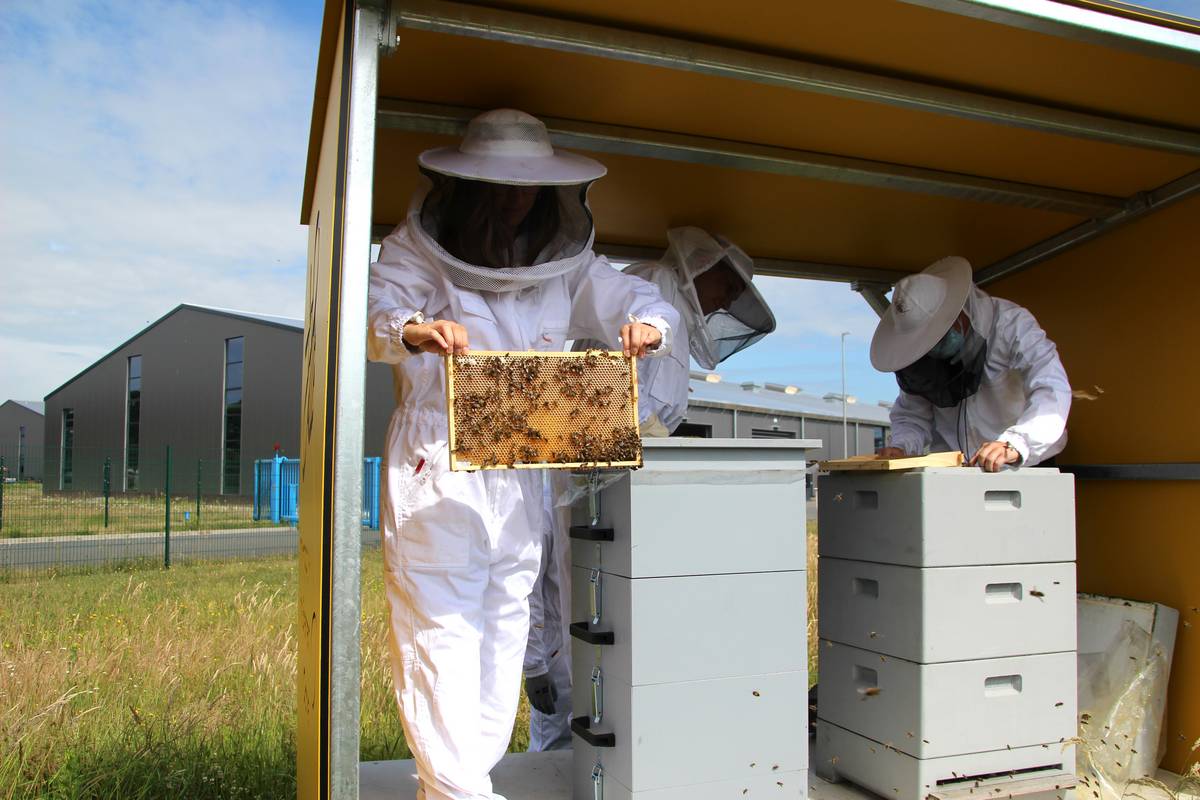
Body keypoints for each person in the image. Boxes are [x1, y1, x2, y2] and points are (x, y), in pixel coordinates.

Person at [367, 108, 679, 800]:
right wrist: (414, 329)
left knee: (505, 625)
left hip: (522, 460)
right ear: (467, 185)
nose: (515, 199)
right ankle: (460, 792)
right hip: (439, 462)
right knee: (441, 629)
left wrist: (647, 326)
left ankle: (458, 783)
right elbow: (374, 311)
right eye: (500, 186)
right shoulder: (415, 250)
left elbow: (636, 295)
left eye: (528, 187)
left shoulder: (561, 264)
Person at [523, 227, 775, 752]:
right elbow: (639, 421)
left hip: (589, 478)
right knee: (588, 618)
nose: (725, 301)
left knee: (576, 612)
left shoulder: (656, 294)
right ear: (702, 270)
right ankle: (572, 758)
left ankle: (568, 751)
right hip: (598, 485)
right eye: (725, 288)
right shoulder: (658, 292)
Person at [869, 256, 1071, 471]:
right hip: (954, 471)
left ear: (957, 312)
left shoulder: (1010, 325)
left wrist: (1016, 443)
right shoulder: (919, 359)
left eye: (939, 333)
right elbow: (912, 415)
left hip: (1021, 463)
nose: (933, 344)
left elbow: (1051, 386)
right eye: (925, 338)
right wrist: (901, 447)